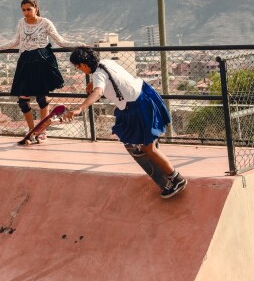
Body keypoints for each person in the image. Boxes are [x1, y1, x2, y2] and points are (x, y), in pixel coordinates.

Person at [64, 47, 187, 198]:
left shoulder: (98, 75)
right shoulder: (106, 62)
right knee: (133, 134)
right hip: (144, 94)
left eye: (77, 67)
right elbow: (113, 78)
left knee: (148, 148)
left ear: (83, 64)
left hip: (137, 105)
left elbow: (98, 92)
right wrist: (94, 83)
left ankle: (176, 179)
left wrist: (80, 108)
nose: (79, 70)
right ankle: (147, 143)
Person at [0, 0, 80, 144]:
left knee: (42, 99)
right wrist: (0, 48)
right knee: (23, 100)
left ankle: (42, 131)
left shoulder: (45, 23)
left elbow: (60, 41)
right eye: (23, 10)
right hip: (25, 62)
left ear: (36, 9)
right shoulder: (21, 23)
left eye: (29, 9)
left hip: (42, 62)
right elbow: (16, 41)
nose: (26, 12)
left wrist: (79, 45)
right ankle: (31, 130)